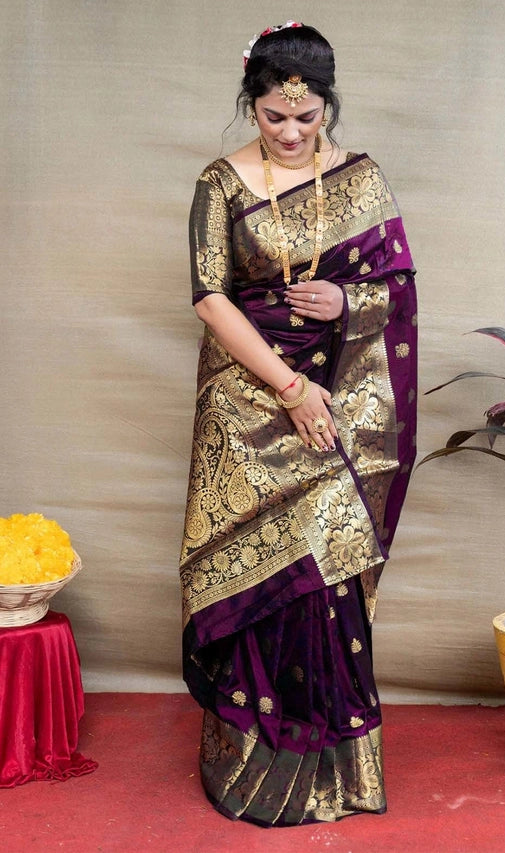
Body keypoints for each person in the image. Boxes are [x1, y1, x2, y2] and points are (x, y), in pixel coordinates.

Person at [180, 22, 417, 826]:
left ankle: (335, 773)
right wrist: (287, 387)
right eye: (273, 116)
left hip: (341, 400)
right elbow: (211, 297)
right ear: (252, 103)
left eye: (305, 118)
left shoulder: (361, 179)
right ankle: (252, 771)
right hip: (248, 401)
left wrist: (351, 303)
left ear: (326, 106)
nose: (289, 132)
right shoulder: (220, 183)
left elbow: (401, 294)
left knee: (326, 569)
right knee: (263, 584)